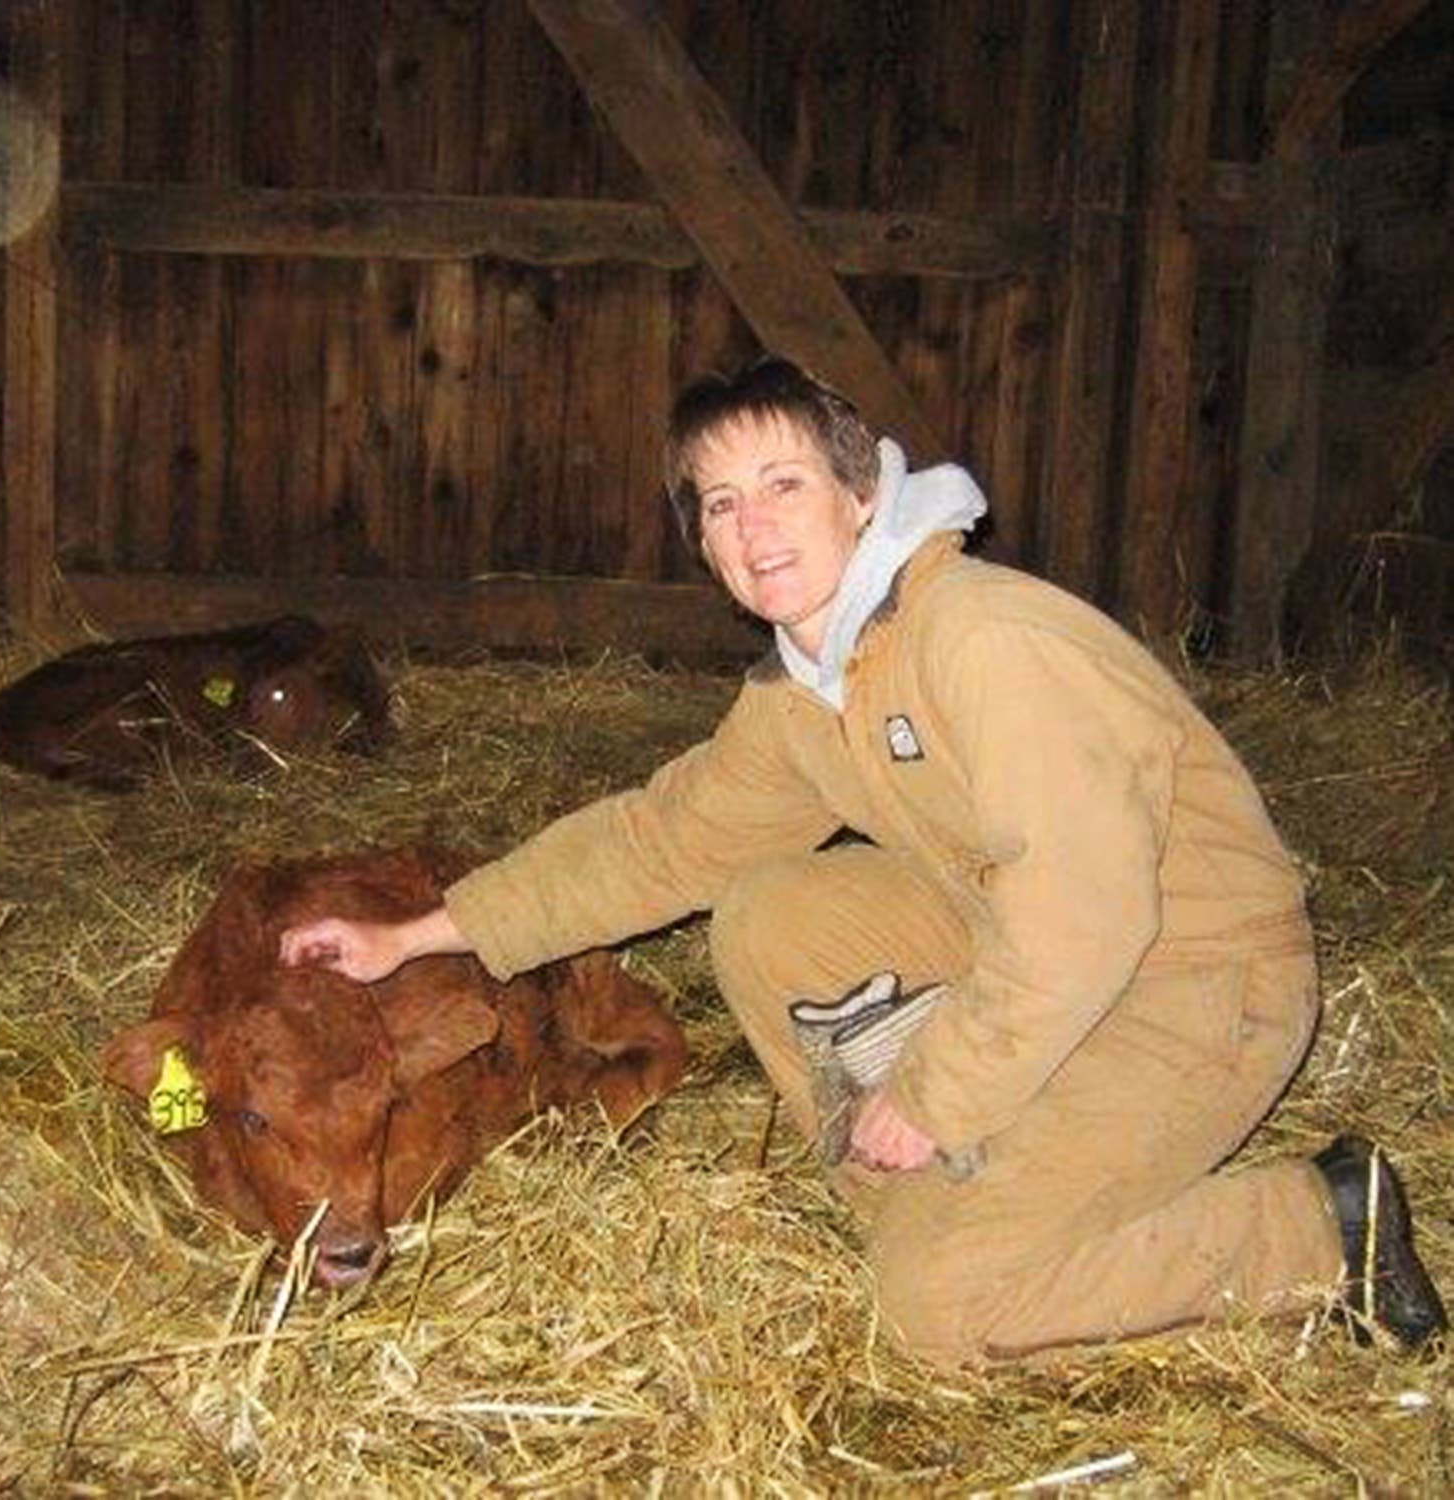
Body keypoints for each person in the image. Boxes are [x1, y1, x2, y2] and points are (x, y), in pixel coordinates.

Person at [280, 356, 1445, 1368]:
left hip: (1197, 979)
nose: (752, 526)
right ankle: (917, 1198)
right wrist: (421, 934)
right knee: (768, 916)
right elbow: (661, 838)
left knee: (940, 1309)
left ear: (862, 493)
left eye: (783, 484)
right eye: (719, 503)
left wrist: (941, 1096)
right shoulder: (814, 684)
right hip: (1018, 938)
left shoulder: (985, 640)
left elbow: (1086, 916)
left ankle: (1322, 1225)